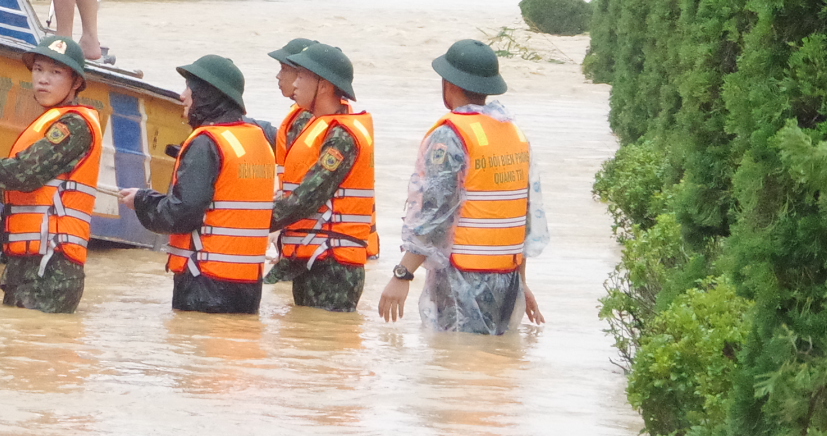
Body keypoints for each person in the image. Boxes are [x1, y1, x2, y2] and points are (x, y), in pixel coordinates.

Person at [375, 38, 550, 335]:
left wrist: (402, 274)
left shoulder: (451, 136)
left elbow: (435, 214)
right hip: (507, 281)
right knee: (491, 372)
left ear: (449, 84)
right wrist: (521, 282)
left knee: (453, 369)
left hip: (462, 280)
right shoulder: (514, 134)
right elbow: (524, 215)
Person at [0, 30, 107, 314]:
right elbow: (12, 190)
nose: (43, 79)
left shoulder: (73, 126)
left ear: (76, 82)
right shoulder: (51, 123)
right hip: (27, 265)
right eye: (38, 69)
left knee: (38, 351)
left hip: (51, 267)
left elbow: (22, 175)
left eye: (55, 72)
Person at [126, 54, 275, 315]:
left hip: (204, 284)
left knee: (197, 350)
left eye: (189, 89)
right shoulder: (259, 140)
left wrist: (142, 200)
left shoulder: (207, 143)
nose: (182, 96)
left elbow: (181, 214)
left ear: (207, 95)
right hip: (248, 285)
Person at [265, 39, 375, 311]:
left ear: (324, 85)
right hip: (312, 256)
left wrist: (244, 222)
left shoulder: (342, 137)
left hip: (333, 265)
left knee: (324, 343)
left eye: (302, 76)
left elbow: (306, 198)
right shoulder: (315, 125)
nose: (296, 83)